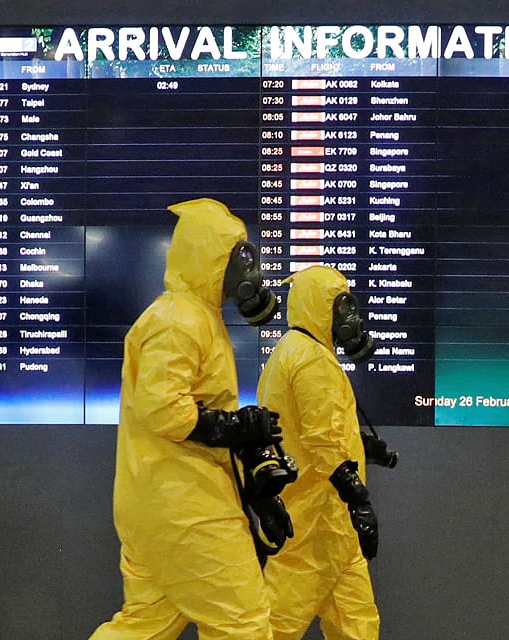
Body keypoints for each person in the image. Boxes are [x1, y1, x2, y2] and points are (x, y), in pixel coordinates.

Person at [91, 197, 291, 640]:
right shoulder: (179, 320)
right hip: (186, 508)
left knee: (144, 625)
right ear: (211, 258)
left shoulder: (195, 317)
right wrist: (235, 427)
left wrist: (255, 485)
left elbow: (193, 409)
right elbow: (164, 409)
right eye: (239, 260)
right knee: (243, 623)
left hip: (165, 502)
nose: (249, 275)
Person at [256, 265, 382, 640]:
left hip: (328, 524)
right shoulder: (311, 359)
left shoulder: (293, 351)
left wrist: (361, 446)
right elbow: (322, 442)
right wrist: (358, 499)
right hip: (314, 523)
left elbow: (308, 427)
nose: (350, 317)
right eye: (340, 306)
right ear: (319, 307)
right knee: (277, 626)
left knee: (356, 624)